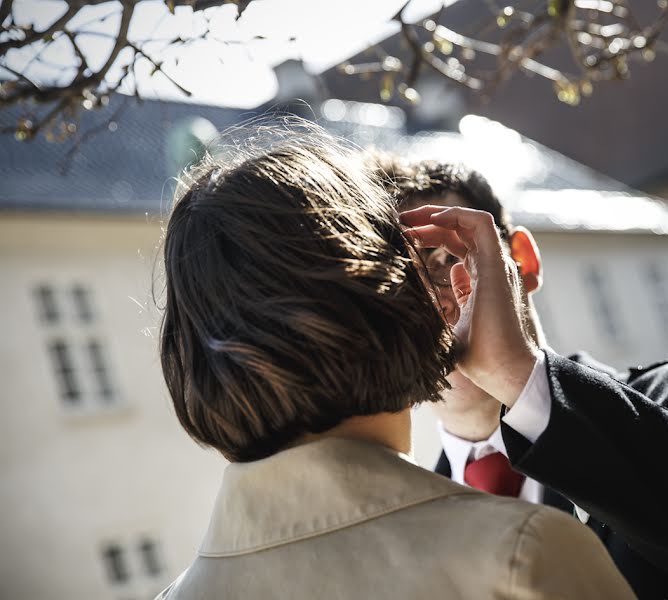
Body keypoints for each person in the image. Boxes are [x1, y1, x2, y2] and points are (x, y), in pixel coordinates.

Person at [153, 125, 636, 600]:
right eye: (415, 269)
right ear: (381, 297)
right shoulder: (523, 552)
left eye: (453, 258)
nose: (443, 298)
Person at [380, 157, 668, 600]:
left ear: (522, 260)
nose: (431, 306)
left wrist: (519, 378)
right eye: (398, 285)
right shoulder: (401, 529)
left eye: (446, 260)